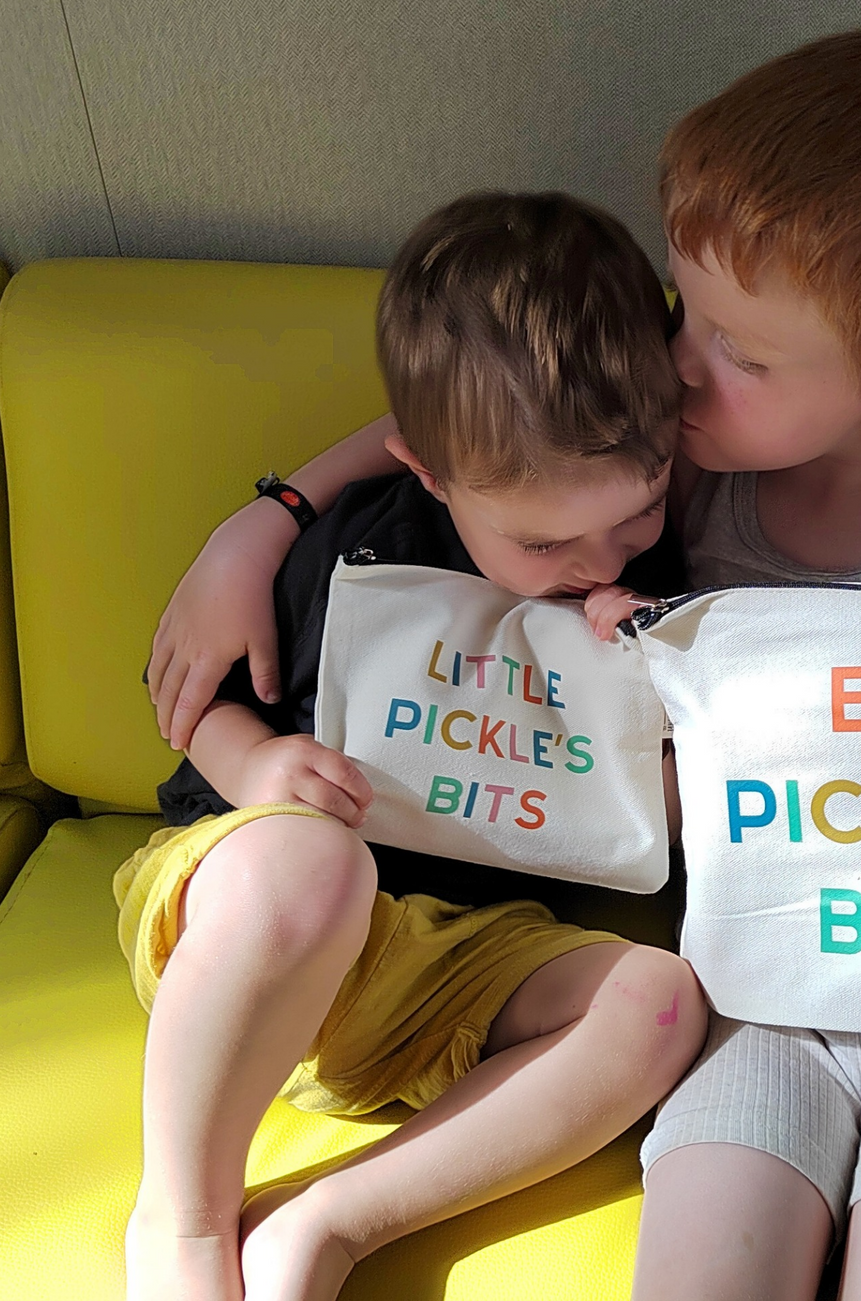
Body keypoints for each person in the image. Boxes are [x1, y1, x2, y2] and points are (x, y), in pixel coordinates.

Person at [149, 28, 861, 1300]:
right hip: (756, 984)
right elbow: (467, 431)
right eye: (687, 312)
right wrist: (268, 520)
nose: (677, 363)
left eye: (738, 350)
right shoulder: (665, 470)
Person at [121, 191, 708, 1301]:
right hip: (257, 931)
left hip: (457, 961)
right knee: (313, 860)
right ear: (432, 476)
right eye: (542, 537)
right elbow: (192, 698)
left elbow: (670, 810)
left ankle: (329, 1219)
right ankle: (184, 1221)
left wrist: (643, 690)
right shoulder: (370, 541)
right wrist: (254, 765)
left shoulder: (662, 575)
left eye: (634, 510)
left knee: (662, 997)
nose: (598, 557)